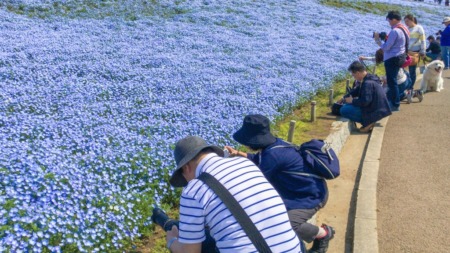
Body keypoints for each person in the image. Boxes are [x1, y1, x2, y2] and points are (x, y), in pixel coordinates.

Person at [164, 136, 302, 253]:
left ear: (185, 167)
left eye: (183, 177)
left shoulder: (193, 190)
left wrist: (172, 241)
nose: (187, 182)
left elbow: (190, 251)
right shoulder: (246, 164)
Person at [225, 115, 334, 253]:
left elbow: (255, 182)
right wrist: (239, 154)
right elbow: (259, 159)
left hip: (311, 196)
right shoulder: (275, 146)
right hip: (300, 191)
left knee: (287, 225)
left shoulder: (273, 156)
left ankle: (323, 234)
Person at [340, 61, 392, 132]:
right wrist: (344, 98)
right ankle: (369, 121)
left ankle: (368, 123)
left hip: (374, 111)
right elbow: (357, 91)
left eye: (354, 75)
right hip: (379, 108)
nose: (354, 77)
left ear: (358, 73)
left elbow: (365, 102)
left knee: (344, 110)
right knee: (347, 105)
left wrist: (352, 101)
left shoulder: (367, 84)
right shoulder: (369, 77)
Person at [374, 10, 409, 111]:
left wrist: (377, 40)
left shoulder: (394, 31)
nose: (388, 22)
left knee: (392, 81)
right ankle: (394, 102)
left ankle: (395, 104)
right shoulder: (404, 28)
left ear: (393, 19)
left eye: (388, 20)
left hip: (392, 58)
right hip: (400, 56)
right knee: (392, 81)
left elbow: (387, 47)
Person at [404, 14, 426, 90]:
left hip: (415, 52)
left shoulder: (419, 28)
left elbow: (423, 40)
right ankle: (407, 85)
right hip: (406, 52)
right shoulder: (407, 29)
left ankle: (410, 87)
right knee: (404, 69)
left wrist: (423, 52)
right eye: (405, 21)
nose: (406, 23)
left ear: (412, 20)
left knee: (412, 70)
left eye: (407, 21)